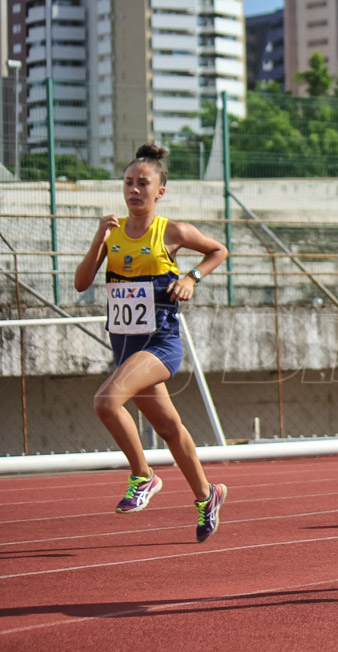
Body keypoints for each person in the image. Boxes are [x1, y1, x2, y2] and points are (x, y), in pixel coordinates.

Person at [74, 144, 229, 542]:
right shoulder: (113, 236)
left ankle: (143, 476)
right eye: (128, 182)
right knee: (170, 428)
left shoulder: (171, 232)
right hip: (126, 347)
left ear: (160, 190)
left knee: (106, 402)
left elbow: (218, 250)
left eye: (143, 183)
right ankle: (206, 495)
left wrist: (191, 277)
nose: (134, 190)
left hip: (160, 343)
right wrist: (98, 238)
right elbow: (80, 283)